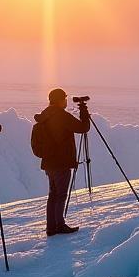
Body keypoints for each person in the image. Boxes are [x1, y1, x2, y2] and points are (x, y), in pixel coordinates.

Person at [33, 88, 90, 236]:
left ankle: (51, 227)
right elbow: (83, 128)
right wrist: (83, 110)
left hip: (49, 162)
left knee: (53, 195)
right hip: (61, 162)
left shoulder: (44, 115)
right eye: (65, 98)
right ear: (59, 100)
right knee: (60, 195)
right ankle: (59, 225)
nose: (66, 100)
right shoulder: (62, 116)